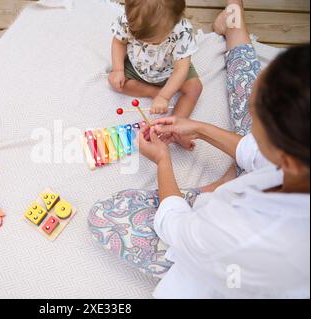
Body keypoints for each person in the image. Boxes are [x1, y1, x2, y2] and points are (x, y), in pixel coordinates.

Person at [89, 0, 310, 298]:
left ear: (287, 159)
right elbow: (257, 153)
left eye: (257, 118)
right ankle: (234, 27)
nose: (249, 116)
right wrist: (200, 129)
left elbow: (176, 228)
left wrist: (163, 161)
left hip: (220, 265)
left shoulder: (237, 233)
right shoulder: (295, 160)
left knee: (104, 216)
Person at [108, 0, 203, 119]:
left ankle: (176, 122)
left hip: (171, 70)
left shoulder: (183, 32)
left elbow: (181, 69)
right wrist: (118, 70)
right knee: (115, 81)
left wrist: (164, 97)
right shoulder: (128, 20)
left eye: (153, 41)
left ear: (175, 22)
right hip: (138, 67)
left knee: (195, 88)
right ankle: (152, 92)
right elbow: (119, 42)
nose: (145, 43)